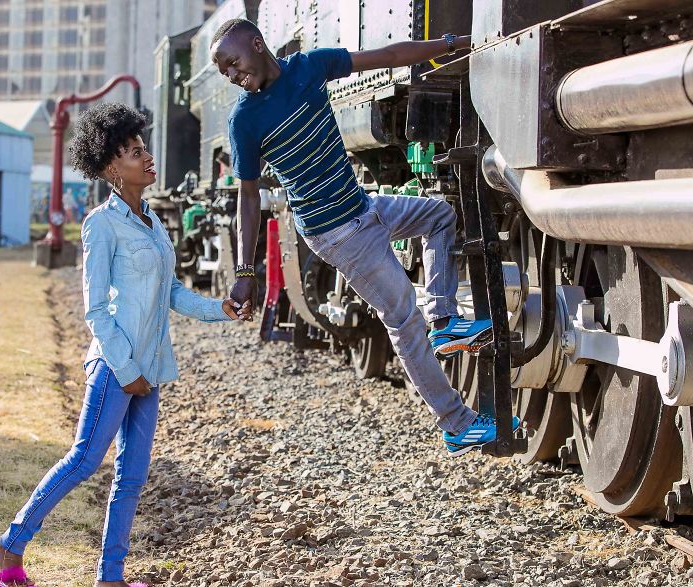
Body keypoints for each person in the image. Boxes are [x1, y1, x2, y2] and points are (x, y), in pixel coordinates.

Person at [210, 19, 519, 456]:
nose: (233, 76)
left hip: (364, 208)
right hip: (335, 233)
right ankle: (457, 424)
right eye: (225, 72)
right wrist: (243, 269)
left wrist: (453, 42)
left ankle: (446, 321)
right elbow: (247, 196)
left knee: (440, 217)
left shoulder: (310, 67)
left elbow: (390, 56)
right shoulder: (244, 119)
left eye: (233, 64)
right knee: (403, 318)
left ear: (257, 44)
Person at [0, 103, 251, 587]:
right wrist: (126, 371)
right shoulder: (100, 225)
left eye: (144, 148)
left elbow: (171, 293)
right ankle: (12, 543)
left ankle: (111, 577)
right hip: (115, 367)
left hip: (150, 370)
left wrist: (220, 309)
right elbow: (95, 311)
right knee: (85, 460)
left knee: (131, 478)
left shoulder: (153, 222)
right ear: (110, 167)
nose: (147, 157)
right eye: (133, 152)